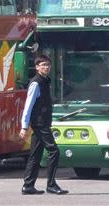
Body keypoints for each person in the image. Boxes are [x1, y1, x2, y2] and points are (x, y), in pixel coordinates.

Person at [19, 55, 68, 195]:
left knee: (35, 154)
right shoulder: (36, 83)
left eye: (48, 64)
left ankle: (28, 186)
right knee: (54, 151)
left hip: (43, 122)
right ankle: (51, 185)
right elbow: (28, 105)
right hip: (40, 123)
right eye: (43, 64)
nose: (46, 67)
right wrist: (24, 126)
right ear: (37, 67)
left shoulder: (45, 81)